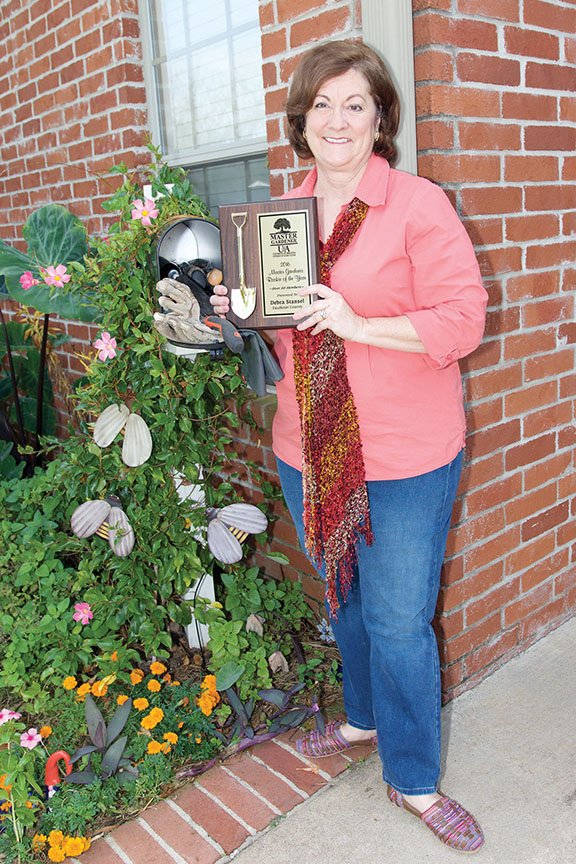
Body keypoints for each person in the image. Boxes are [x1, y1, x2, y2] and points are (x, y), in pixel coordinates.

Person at [211, 40, 488, 853]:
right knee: (346, 600)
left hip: (404, 457)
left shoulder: (416, 205)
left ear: (379, 121)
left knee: (401, 622)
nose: (337, 119)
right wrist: (237, 308)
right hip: (310, 448)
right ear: (301, 120)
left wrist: (359, 323)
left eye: (355, 104)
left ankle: (414, 779)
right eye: (322, 104)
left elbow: (463, 318)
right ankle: (363, 722)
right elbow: (279, 334)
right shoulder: (276, 218)